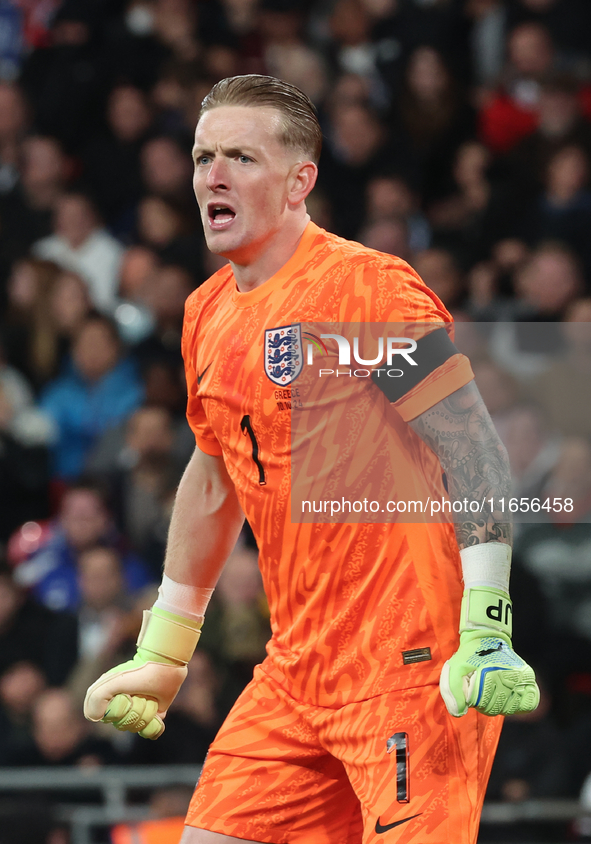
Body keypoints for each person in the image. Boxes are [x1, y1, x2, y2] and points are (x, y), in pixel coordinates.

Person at [84, 75, 539, 844]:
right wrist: (167, 645)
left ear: (301, 182)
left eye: (240, 157)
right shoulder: (205, 314)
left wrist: (485, 625)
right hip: (295, 671)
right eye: (202, 157)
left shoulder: (365, 291)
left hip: (412, 667)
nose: (212, 176)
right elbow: (213, 474)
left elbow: (474, 451)